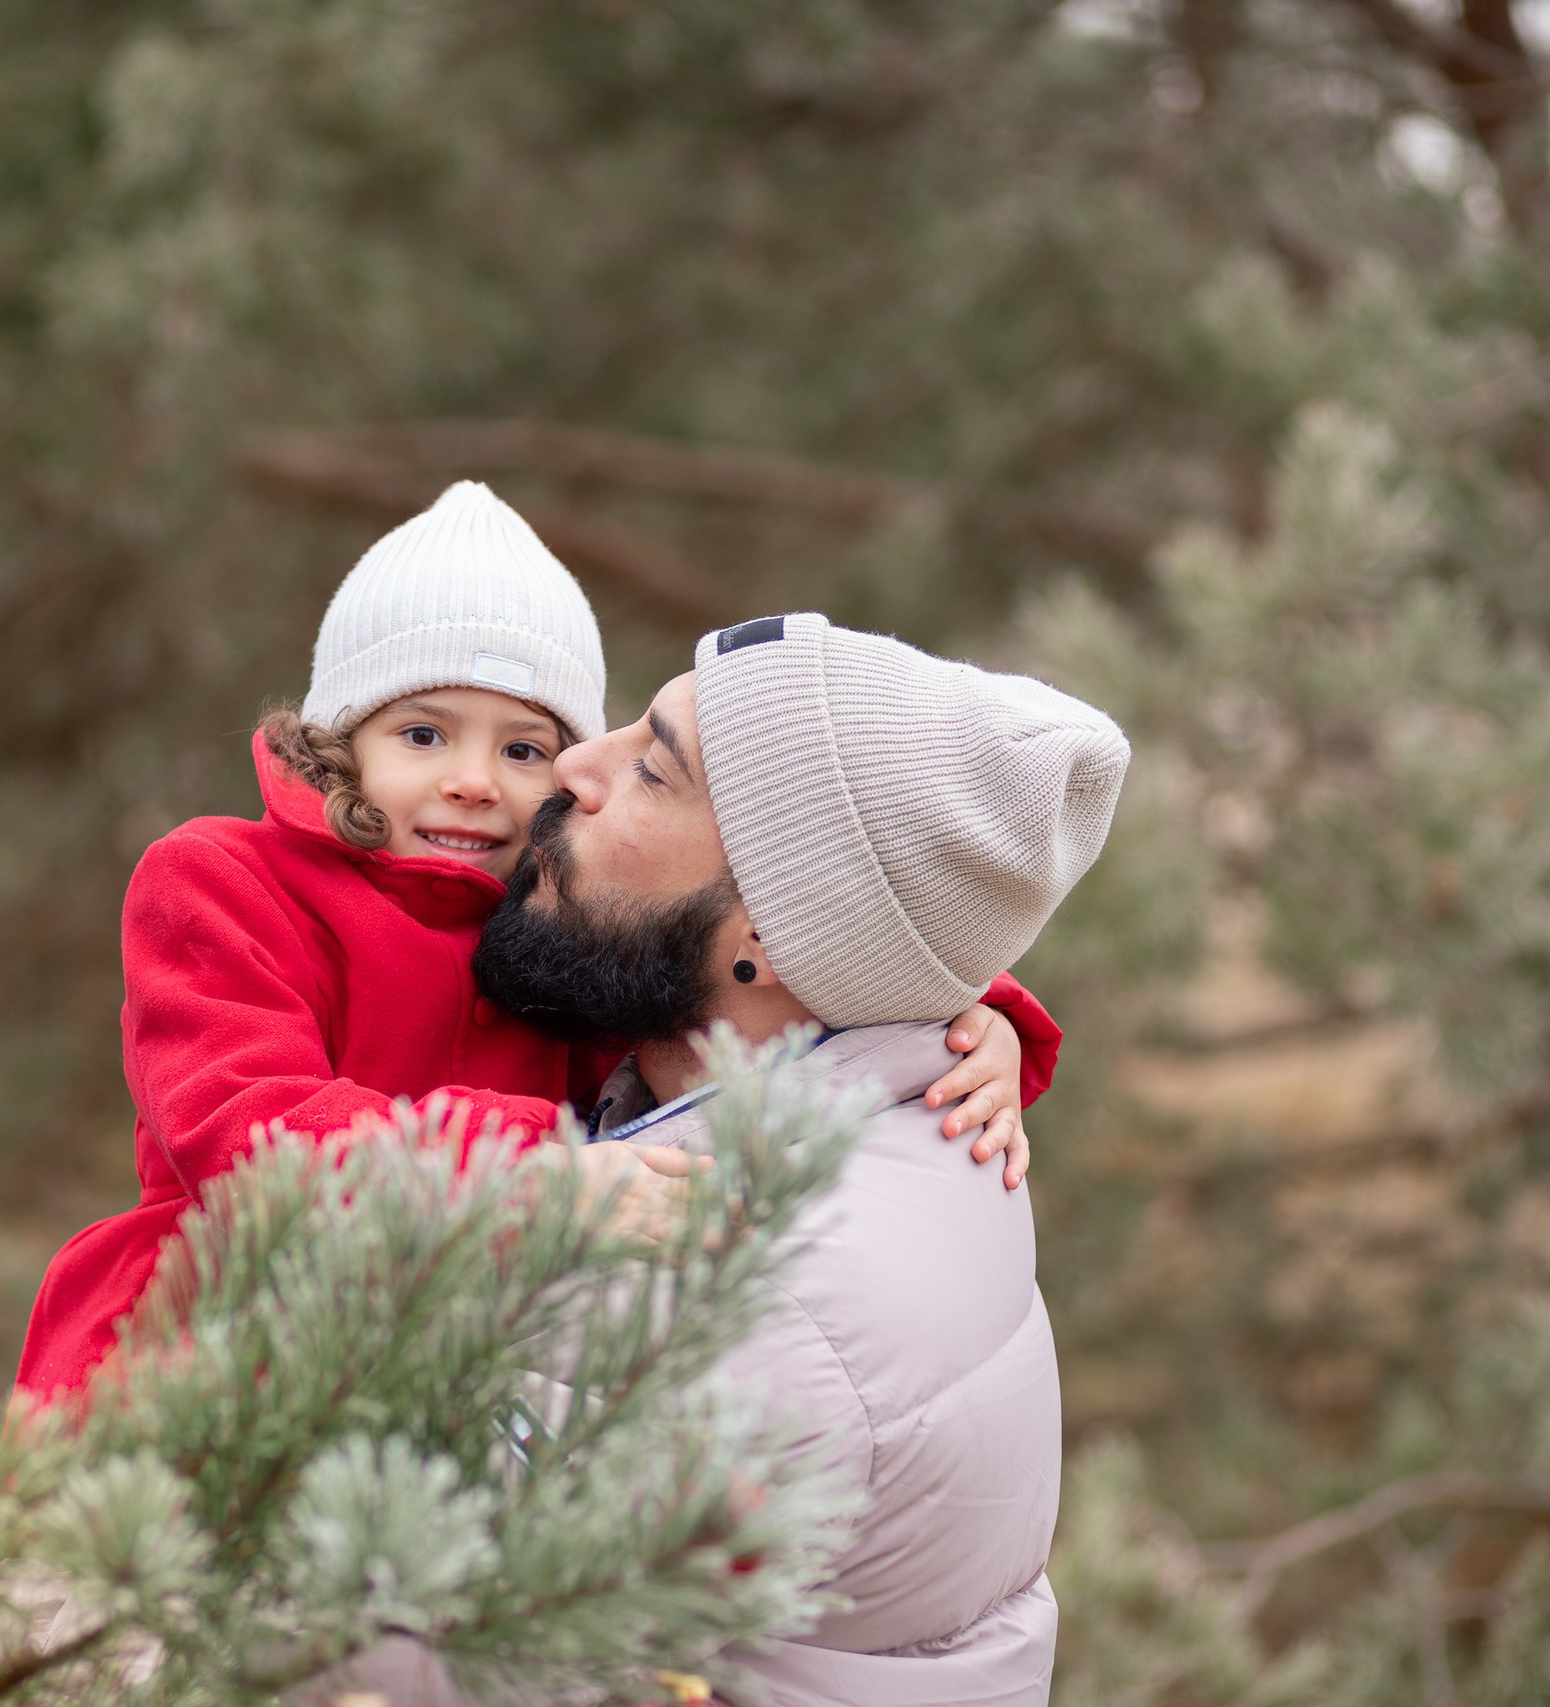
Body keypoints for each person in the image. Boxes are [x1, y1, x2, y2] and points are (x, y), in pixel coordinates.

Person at [13, 489, 1060, 1401]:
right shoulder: (228, 882)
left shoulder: (552, 919)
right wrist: (527, 1179)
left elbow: (799, 915)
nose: (474, 780)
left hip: (428, 1378)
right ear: (337, 743)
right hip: (196, 1351)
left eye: (522, 748)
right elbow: (243, 1130)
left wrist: (980, 1017)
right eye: (422, 735)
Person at [468, 612, 1130, 1707]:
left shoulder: (753, 1295)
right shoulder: (894, 1094)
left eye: (649, 770)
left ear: (768, 941)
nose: (572, 765)